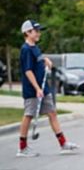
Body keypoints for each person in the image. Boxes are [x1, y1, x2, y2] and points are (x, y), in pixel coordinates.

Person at [16, 20, 78, 157]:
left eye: (39, 31)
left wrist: (45, 59)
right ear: (27, 32)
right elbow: (28, 71)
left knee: (52, 113)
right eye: (36, 31)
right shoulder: (26, 50)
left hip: (43, 87)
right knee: (29, 115)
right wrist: (37, 88)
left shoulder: (35, 48)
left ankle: (63, 144)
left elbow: (38, 58)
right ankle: (22, 148)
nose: (38, 33)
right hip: (33, 89)